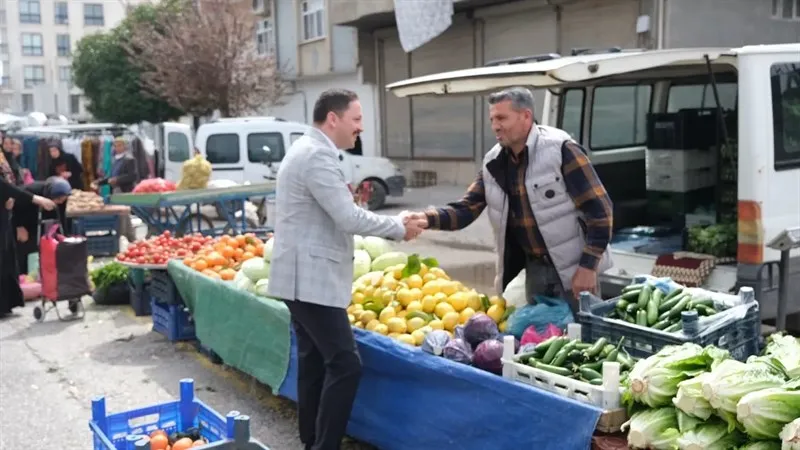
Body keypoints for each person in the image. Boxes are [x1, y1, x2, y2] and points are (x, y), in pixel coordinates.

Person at [266, 89, 426, 450]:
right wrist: (400, 227)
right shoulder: (316, 156)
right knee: (345, 363)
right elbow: (348, 217)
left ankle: (311, 440)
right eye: (356, 120)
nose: (360, 129)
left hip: (299, 277)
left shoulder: (308, 150)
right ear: (333, 119)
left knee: (313, 360)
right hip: (310, 278)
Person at [406, 87, 614, 310]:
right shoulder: (493, 163)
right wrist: (427, 218)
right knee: (539, 338)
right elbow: (466, 209)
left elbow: (601, 211)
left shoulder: (560, 150)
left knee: (582, 336)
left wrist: (588, 267)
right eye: (492, 119)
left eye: (502, 118)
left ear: (526, 116)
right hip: (534, 271)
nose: (495, 126)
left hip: (574, 270)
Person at [0, 154, 56, 317]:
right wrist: (35, 198)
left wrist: (9, 197)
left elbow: (8, 182)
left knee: (7, 258)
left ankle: (6, 304)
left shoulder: (2, 156)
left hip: (4, 213)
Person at [13, 177, 72, 275]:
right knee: (25, 248)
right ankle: (23, 275)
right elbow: (14, 204)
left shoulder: (61, 197)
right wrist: (18, 226)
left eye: (63, 199)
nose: (60, 202)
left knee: (45, 247)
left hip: (41, 221)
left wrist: (64, 236)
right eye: (58, 199)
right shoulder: (31, 190)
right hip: (23, 220)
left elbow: (61, 216)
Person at [92, 137, 139, 242]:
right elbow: (110, 177)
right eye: (115, 145)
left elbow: (132, 176)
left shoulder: (129, 159)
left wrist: (117, 180)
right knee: (123, 214)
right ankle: (131, 237)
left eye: (119, 145)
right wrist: (99, 183)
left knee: (122, 213)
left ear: (125, 146)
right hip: (116, 190)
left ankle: (123, 236)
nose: (117, 148)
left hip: (124, 190)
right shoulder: (115, 160)